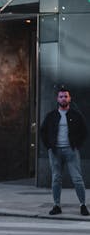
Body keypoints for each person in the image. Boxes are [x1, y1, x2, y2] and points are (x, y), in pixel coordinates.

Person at [40, 87, 88, 216]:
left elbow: (84, 131)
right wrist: (49, 146)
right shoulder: (51, 116)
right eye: (61, 96)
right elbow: (43, 132)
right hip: (55, 152)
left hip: (71, 151)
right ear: (57, 99)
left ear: (69, 98)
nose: (63, 98)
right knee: (56, 179)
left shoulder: (76, 115)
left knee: (77, 179)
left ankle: (83, 205)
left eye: (65, 96)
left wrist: (76, 144)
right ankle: (56, 205)